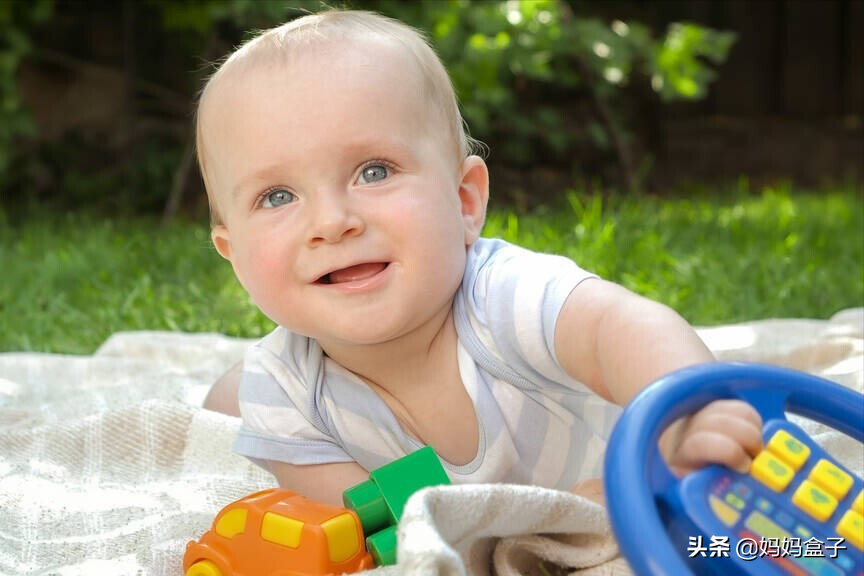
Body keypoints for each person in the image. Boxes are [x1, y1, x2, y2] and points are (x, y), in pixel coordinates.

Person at [195, 9, 762, 507]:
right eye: (277, 197)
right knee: (233, 407)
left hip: (619, 474)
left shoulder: (505, 299)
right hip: (413, 477)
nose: (331, 222)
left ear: (464, 201)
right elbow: (380, 524)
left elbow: (624, 326)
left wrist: (688, 410)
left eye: (374, 171)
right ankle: (227, 389)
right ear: (234, 255)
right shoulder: (286, 394)